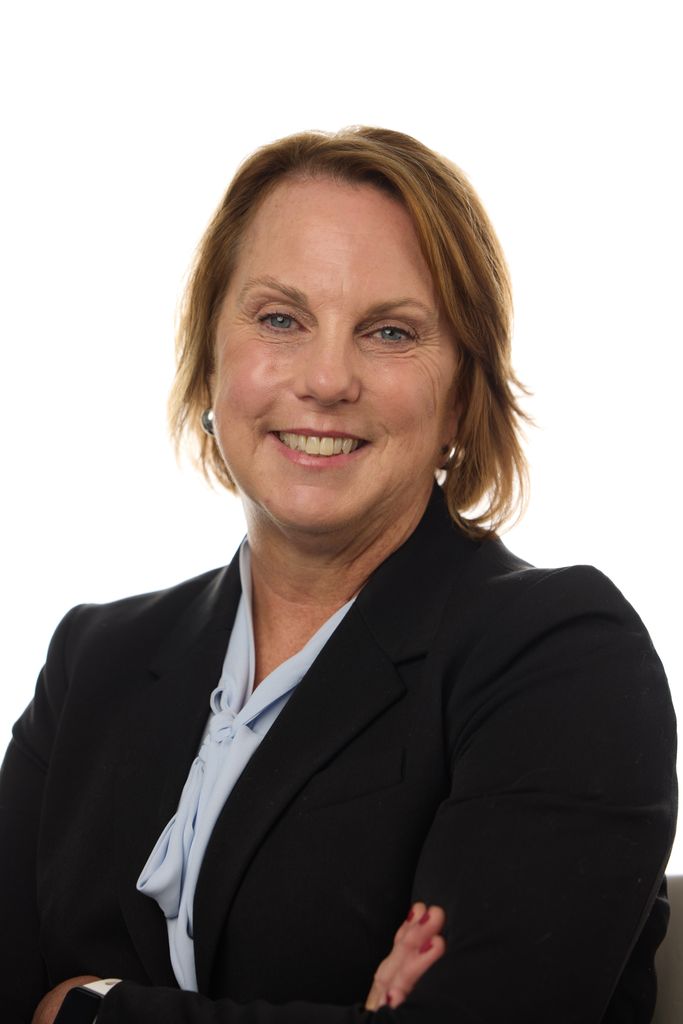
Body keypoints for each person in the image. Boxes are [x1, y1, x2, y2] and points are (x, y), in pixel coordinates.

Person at [0, 126, 676, 1024]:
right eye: (280, 319)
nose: (326, 379)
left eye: (389, 332)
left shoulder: (562, 660)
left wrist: (88, 1010)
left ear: (461, 396)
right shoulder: (96, 658)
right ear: (209, 360)